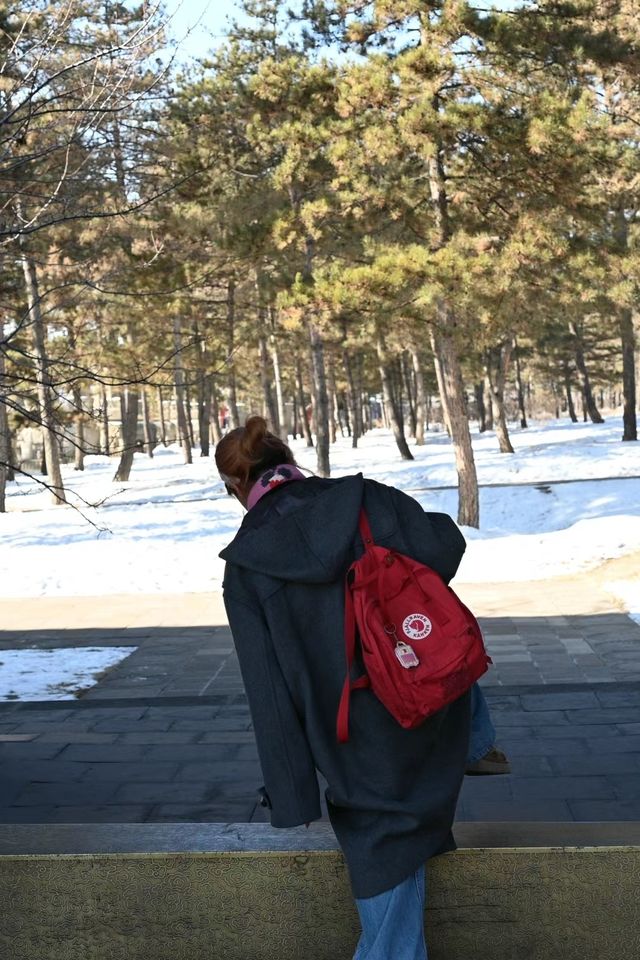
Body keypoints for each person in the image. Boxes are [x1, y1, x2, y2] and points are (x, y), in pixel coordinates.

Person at [217, 416, 506, 960]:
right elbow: (444, 549)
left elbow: (269, 695)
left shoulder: (247, 567)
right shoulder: (368, 498)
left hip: (347, 736)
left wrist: (293, 795)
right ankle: (475, 743)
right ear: (289, 461)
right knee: (442, 654)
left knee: (381, 846)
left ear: (237, 486)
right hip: (426, 703)